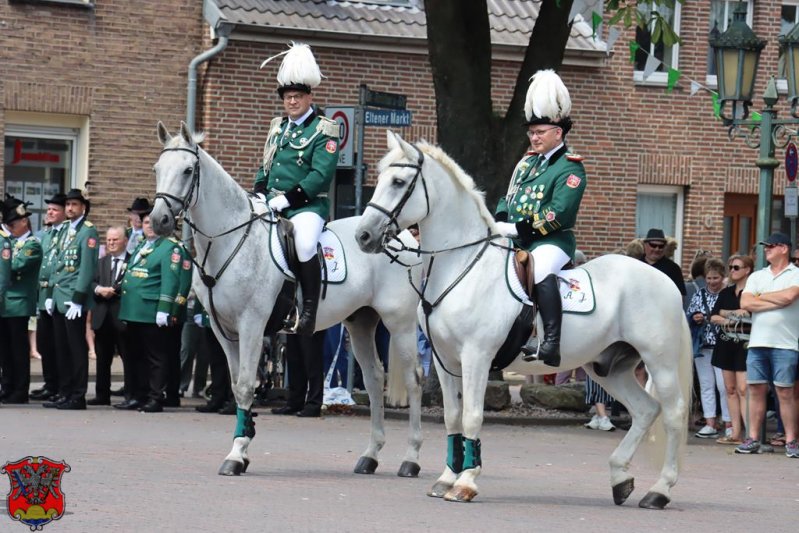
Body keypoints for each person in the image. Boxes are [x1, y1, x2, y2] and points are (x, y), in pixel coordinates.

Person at [493, 69, 587, 367]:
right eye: (531, 133)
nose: (533, 138)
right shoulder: (525, 164)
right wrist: (499, 218)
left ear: (557, 133)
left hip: (552, 241)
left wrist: (520, 227)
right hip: (518, 237)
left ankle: (550, 343)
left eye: (540, 133)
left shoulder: (571, 169)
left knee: (542, 269)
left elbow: (558, 212)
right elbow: (508, 196)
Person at [254, 42, 339, 337]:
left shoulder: (324, 129)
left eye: (298, 96)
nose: (292, 102)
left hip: (307, 206)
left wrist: (287, 200)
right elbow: (266, 164)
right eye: (288, 97)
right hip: (273, 202)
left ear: (309, 97)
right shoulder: (278, 127)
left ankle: (309, 311)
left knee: (303, 245)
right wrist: (260, 192)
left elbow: (320, 175)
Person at [737, 232, 799, 457]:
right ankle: (752, 438)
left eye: (771, 246)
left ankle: (792, 441)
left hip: (786, 343)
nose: (766, 249)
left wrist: (760, 298)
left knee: (785, 392)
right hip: (757, 343)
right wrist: (773, 298)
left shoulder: (796, 274)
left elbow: (789, 298)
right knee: (755, 389)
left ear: (784, 248)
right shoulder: (757, 275)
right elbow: (745, 302)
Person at [118, 213, 182, 413]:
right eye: (146, 222)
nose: (150, 226)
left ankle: (156, 396)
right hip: (133, 311)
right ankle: (140, 394)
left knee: (156, 358)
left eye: (154, 223)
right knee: (136, 356)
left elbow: (170, 281)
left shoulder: (168, 248)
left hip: (151, 311)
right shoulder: (141, 245)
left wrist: (164, 309)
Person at [44, 189, 99, 410]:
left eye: (74, 205)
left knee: (76, 349)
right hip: (58, 296)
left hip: (72, 300)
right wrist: (49, 295)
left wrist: (78, 299)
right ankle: (64, 391)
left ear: (82, 207)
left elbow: (86, 269)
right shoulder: (64, 229)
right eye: (67, 205)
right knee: (61, 348)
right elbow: (55, 265)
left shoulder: (88, 232)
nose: (70, 209)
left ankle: (78, 395)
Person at [0, 196, 42, 404]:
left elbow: (13, 266)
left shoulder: (31, 244)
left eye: (11, 223)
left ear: (24, 222)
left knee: (18, 350)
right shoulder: (10, 243)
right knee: (5, 351)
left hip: (18, 303)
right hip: (5, 303)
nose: (8, 227)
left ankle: (20, 389)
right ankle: (7, 386)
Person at [709, 254, 754, 444]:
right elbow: (713, 316)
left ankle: (750, 434)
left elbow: (749, 313)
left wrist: (726, 316)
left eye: (736, 267)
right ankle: (735, 433)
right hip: (725, 344)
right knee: (729, 389)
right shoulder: (725, 293)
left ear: (747, 270)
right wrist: (734, 317)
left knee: (744, 389)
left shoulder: (753, 293)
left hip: (745, 344)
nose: (732, 271)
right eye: (731, 267)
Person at [686, 258, 730, 439]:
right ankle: (710, 422)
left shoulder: (728, 295)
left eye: (716, 278)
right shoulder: (699, 295)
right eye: (709, 278)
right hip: (703, 346)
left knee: (724, 386)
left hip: (722, 345)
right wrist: (694, 317)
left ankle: (729, 422)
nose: (712, 282)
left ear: (722, 277)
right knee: (706, 385)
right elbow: (688, 315)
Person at [30, 193, 67, 402]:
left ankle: (61, 385)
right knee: (45, 343)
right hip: (43, 295)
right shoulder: (45, 234)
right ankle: (49, 383)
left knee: (58, 344)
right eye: (49, 209)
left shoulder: (65, 235)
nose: (50, 213)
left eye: (54, 210)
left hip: (58, 295)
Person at [89, 226, 130, 406]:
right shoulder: (101, 262)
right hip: (102, 317)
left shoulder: (133, 261)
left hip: (122, 317)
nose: (111, 243)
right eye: (109, 240)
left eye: (116, 240)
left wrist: (116, 290)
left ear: (125, 241)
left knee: (128, 358)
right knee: (102, 359)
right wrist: (99, 290)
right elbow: (91, 282)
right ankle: (101, 394)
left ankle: (131, 394)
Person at [641, 228, 686, 296]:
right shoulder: (636, 265)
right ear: (645, 245)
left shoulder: (673, 269)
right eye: (653, 245)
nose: (657, 249)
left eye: (661, 246)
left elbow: (680, 297)